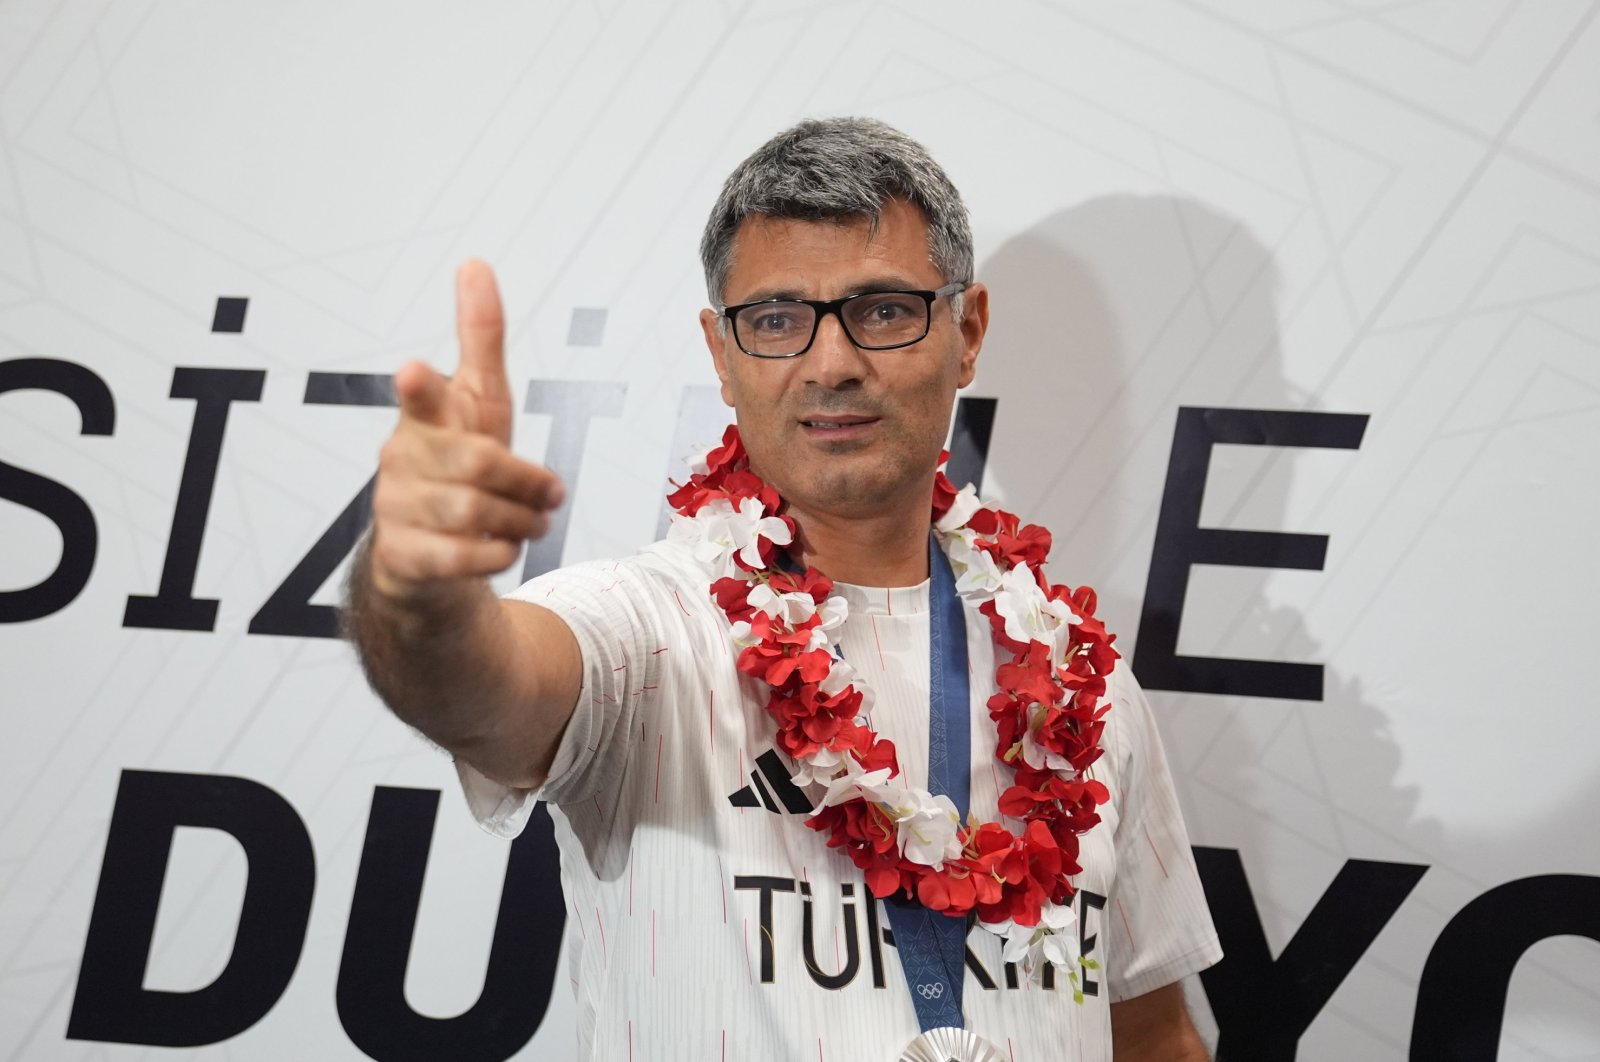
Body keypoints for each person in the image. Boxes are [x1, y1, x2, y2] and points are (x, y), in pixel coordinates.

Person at [345, 117, 1221, 1061]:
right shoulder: (649, 632)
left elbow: (1153, 1036)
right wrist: (416, 590)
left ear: (966, 333)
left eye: (884, 308)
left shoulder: (1083, 689)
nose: (833, 362)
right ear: (722, 356)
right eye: (776, 321)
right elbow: (475, 684)